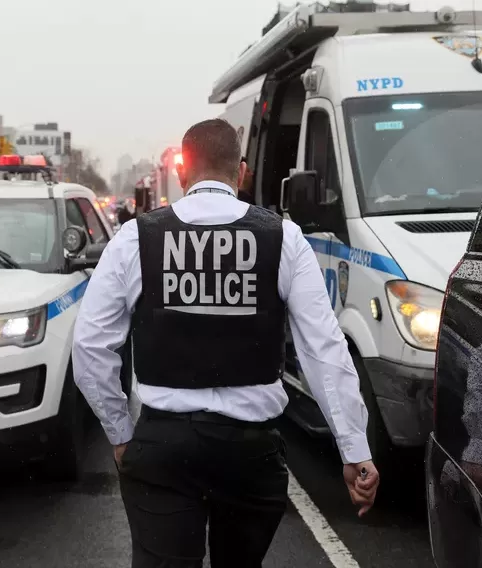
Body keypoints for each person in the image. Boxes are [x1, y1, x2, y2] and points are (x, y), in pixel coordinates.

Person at [72, 119, 378, 568]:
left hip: (165, 446)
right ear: (242, 171)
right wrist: (354, 449)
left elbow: (90, 347)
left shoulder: (136, 237)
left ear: (182, 172)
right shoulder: (283, 238)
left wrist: (120, 434)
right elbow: (324, 348)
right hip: (249, 454)